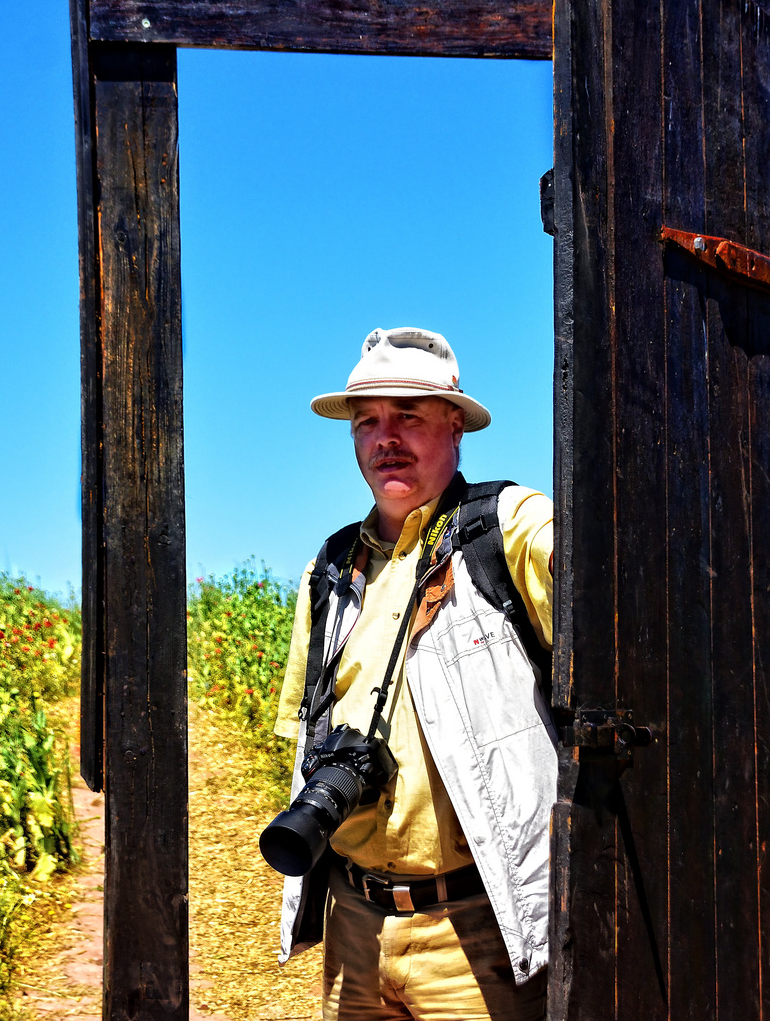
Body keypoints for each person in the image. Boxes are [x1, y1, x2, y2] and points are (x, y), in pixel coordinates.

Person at [272, 327, 556, 1021]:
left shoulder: (507, 527)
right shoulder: (331, 568)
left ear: (455, 426)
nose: (383, 437)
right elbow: (306, 733)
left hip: (474, 934)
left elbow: (611, 592)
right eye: (367, 421)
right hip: (356, 923)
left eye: (409, 415)